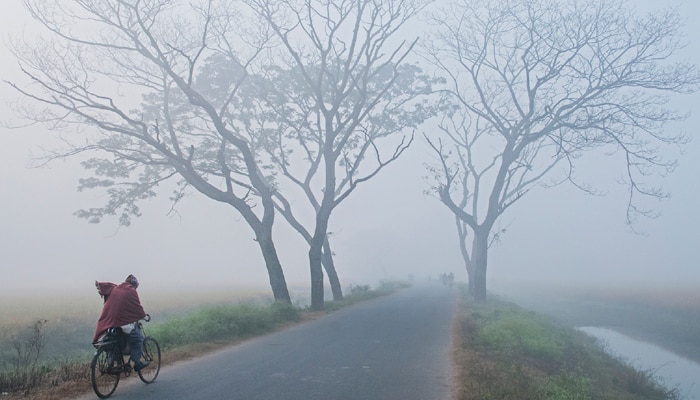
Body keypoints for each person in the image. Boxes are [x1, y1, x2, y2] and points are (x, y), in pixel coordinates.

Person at [93, 274, 150, 371]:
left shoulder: (115, 289)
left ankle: (111, 361)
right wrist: (144, 316)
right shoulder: (131, 291)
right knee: (138, 338)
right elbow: (137, 307)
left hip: (110, 322)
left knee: (112, 340)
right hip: (122, 322)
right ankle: (137, 363)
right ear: (134, 285)